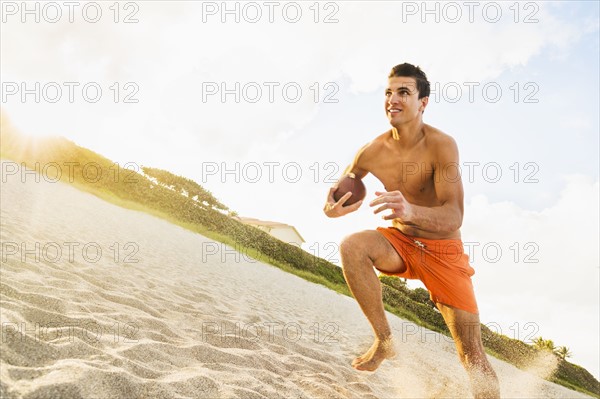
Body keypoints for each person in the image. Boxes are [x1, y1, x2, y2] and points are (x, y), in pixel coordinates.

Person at [323, 63, 500, 398]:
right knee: (352, 246)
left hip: (443, 250)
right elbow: (348, 182)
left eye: (404, 92)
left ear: (423, 103)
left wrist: (410, 209)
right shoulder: (371, 151)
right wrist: (331, 206)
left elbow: (454, 216)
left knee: (471, 355)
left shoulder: (441, 145)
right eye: (389, 92)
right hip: (401, 242)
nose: (393, 98)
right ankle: (384, 340)